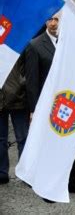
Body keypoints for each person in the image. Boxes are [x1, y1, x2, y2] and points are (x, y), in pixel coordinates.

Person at [24, 13, 75, 199]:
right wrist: (34, 110)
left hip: (66, 104)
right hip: (46, 107)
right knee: (48, 146)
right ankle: (47, 185)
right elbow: (32, 82)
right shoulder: (35, 45)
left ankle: (72, 180)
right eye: (50, 19)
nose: (53, 23)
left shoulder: (69, 43)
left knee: (68, 141)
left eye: (57, 19)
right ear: (45, 21)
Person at [0, 56, 29, 185]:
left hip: (19, 98)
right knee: (1, 139)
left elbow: (28, 68)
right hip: (4, 99)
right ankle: (2, 172)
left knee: (23, 138)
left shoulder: (17, 40)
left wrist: (21, 83)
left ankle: (25, 172)